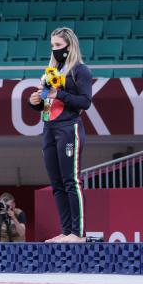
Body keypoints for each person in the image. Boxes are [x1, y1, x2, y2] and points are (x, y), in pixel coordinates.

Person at [28, 28, 93, 244]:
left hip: (69, 128)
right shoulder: (49, 72)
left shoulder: (80, 71)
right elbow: (47, 102)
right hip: (49, 128)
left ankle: (78, 233)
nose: (54, 50)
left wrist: (60, 94)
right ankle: (66, 231)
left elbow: (85, 102)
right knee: (56, 184)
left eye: (58, 45)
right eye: (52, 46)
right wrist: (35, 101)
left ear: (69, 46)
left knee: (71, 181)